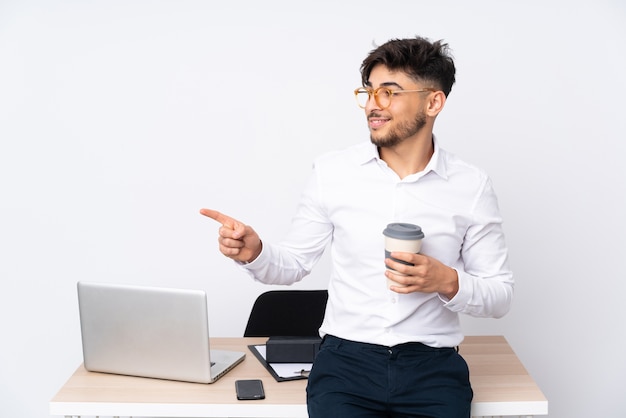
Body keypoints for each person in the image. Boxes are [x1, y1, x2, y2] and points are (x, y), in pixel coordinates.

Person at [201, 36, 513, 418]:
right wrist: (255, 251)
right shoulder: (333, 173)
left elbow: (500, 295)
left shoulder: (471, 186)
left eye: (389, 92)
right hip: (345, 365)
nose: (372, 104)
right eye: (368, 92)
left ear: (433, 102)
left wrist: (445, 280)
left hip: (432, 368)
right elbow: (293, 263)